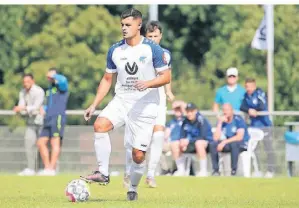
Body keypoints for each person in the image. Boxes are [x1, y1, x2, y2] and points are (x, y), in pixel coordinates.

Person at [80, 8, 171, 201]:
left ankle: (133, 187)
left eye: (128, 25)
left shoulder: (152, 49)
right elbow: (107, 79)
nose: (124, 28)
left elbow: (166, 76)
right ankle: (103, 173)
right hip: (121, 100)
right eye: (122, 24)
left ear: (139, 25)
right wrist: (94, 104)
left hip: (146, 105)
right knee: (100, 125)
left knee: (138, 155)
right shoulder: (115, 49)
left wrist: (147, 83)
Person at [123, 20, 175, 189]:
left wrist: (168, 91)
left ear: (161, 36)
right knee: (133, 139)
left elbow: (167, 74)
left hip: (158, 97)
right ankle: (128, 171)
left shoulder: (165, 54)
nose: (153, 38)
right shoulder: (136, 51)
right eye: (150, 35)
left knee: (159, 134)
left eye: (156, 36)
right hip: (139, 98)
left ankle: (151, 174)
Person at [240, 78, 276, 178]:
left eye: (250, 86)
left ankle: (270, 170)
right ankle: (257, 170)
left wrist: (255, 110)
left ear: (254, 86)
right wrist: (249, 110)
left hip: (264, 125)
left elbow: (262, 105)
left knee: (268, 148)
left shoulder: (259, 93)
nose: (248, 89)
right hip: (254, 126)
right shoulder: (246, 96)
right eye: (247, 86)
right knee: (254, 149)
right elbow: (242, 106)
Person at [36, 68, 69, 176]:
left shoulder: (62, 86)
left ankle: (51, 169)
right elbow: (49, 103)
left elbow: (63, 80)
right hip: (48, 118)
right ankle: (47, 168)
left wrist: (55, 75)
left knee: (55, 142)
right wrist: (43, 108)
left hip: (57, 117)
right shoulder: (49, 89)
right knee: (41, 142)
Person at [13, 73, 45, 176]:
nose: (26, 84)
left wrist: (23, 108)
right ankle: (31, 169)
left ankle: (43, 169)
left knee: (42, 146)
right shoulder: (22, 92)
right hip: (30, 122)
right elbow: (21, 106)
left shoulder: (39, 91)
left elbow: (36, 106)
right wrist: (22, 109)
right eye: (24, 82)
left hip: (41, 122)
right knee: (28, 144)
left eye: (28, 81)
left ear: (33, 81)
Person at [210, 103, 250, 176]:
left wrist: (224, 142)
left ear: (232, 111)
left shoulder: (238, 120)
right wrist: (220, 123)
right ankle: (216, 170)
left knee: (234, 144)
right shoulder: (223, 122)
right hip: (228, 144)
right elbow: (215, 138)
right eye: (224, 110)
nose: (225, 112)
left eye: (227, 110)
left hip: (240, 144)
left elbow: (239, 137)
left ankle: (234, 170)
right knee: (213, 144)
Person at [179, 103, 213, 177]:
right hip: (191, 142)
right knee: (176, 144)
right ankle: (180, 170)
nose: (189, 113)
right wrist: (182, 141)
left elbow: (202, 136)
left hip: (206, 143)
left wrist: (188, 141)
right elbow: (182, 135)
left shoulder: (201, 120)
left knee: (199, 143)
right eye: (188, 111)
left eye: (191, 111)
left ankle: (203, 170)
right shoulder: (185, 121)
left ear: (195, 111)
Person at [164, 101, 186, 176]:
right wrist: (165, 140)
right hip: (170, 142)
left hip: (180, 142)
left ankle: (180, 169)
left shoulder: (185, 120)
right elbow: (166, 133)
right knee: (157, 148)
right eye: (176, 109)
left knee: (175, 144)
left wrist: (179, 104)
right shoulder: (171, 122)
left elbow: (185, 108)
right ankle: (167, 170)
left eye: (179, 109)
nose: (177, 111)